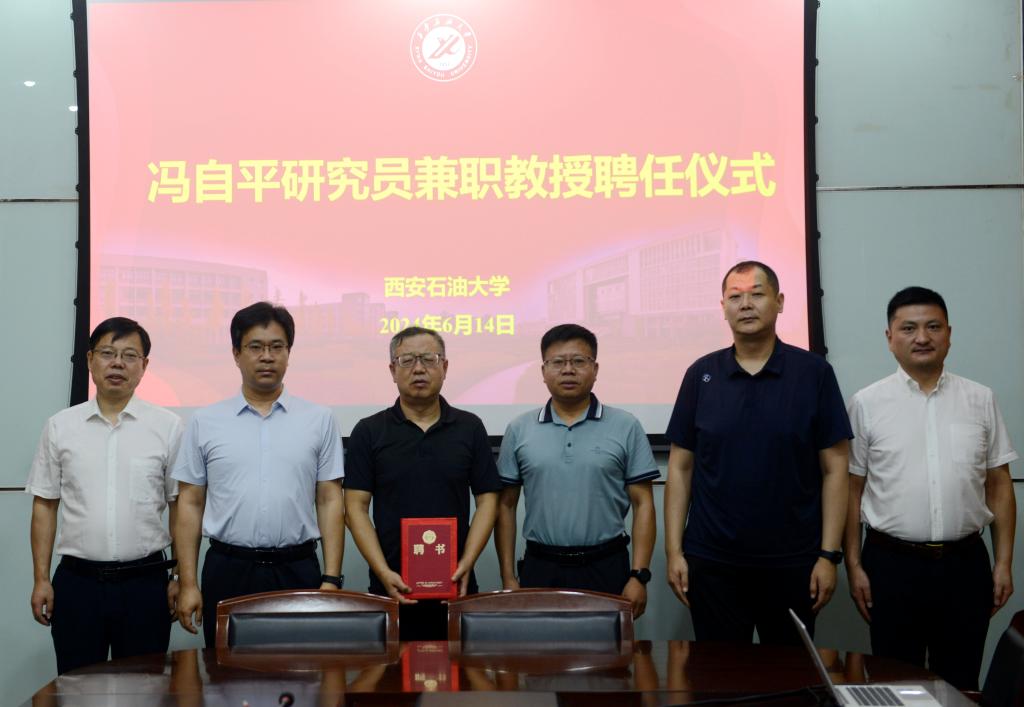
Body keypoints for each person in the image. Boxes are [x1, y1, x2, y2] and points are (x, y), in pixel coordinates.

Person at [664, 261, 851, 644]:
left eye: (757, 294)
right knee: (719, 673)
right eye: (735, 297)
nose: (746, 304)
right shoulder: (701, 374)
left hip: (794, 562)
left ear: (779, 302)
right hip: (712, 562)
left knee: (788, 673)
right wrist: (674, 552)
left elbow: (835, 469)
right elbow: (680, 469)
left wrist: (828, 555)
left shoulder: (813, 373)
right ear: (723, 307)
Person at [844, 286, 1017, 691]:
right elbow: (851, 491)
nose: (922, 337)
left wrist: (1004, 562)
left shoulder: (980, 399)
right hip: (890, 565)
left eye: (933, 327)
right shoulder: (866, 403)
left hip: (965, 565)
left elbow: (999, 484)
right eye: (908, 328)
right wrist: (854, 566)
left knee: (959, 684)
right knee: (896, 682)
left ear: (949, 335)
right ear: (890, 337)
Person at [172, 302, 344, 647]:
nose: (267, 356)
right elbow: (190, 503)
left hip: (297, 569)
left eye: (277, 346)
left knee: (301, 671)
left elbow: (329, 499)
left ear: (288, 353)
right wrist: (188, 583)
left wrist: (331, 578)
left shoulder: (319, 419)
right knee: (226, 672)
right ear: (236, 354)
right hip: (228, 569)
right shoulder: (205, 421)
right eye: (255, 347)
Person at [27, 317, 182, 674]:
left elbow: (180, 508)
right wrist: (41, 579)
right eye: (108, 353)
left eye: (130, 355)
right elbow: (45, 506)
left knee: (146, 688)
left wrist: (180, 578)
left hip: (146, 584)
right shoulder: (60, 426)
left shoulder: (168, 427)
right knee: (77, 687)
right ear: (90, 360)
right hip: (78, 584)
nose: (117, 364)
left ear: (144, 365)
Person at [344, 326, 501, 639]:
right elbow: (355, 508)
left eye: (429, 359)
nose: (418, 369)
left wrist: (468, 561)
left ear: (445, 367)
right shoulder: (369, 431)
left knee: (458, 668)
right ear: (392, 370)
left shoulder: (470, 427)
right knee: (392, 669)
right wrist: (382, 571)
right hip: (390, 585)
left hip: (456, 583)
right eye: (407, 360)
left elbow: (488, 500)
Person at [495, 324, 659, 616]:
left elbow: (643, 503)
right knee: (538, 645)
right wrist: (508, 576)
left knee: (609, 645)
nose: (568, 370)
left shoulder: (626, 425)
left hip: (607, 565)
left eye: (579, 361)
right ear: (543, 370)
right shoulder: (519, 429)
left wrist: (639, 575)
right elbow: (505, 506)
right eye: (558, 362)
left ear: (595, 369)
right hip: (541, 566)